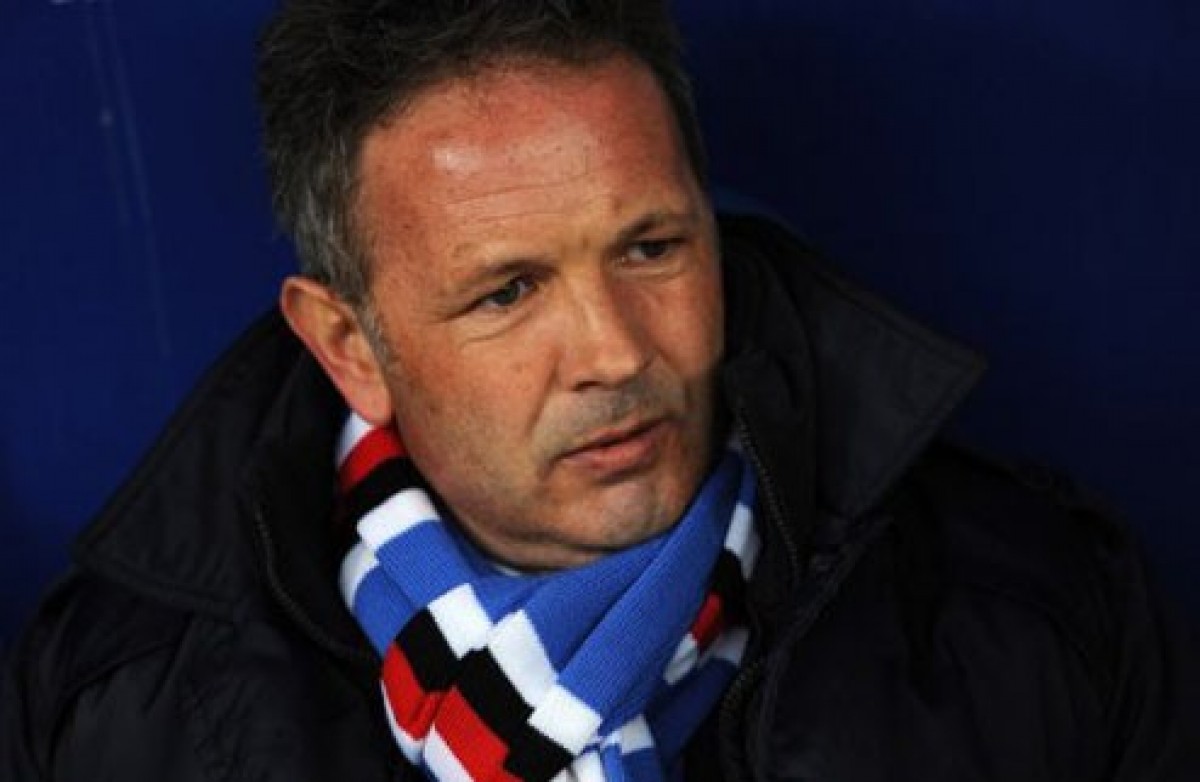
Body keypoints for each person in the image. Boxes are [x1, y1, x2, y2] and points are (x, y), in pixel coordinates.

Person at [3, 1, 1197, 780]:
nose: (616, 352)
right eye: (508, 290)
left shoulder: (1037, 613)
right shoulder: (111, 709)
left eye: (652, 247)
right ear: (350, 345)